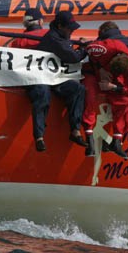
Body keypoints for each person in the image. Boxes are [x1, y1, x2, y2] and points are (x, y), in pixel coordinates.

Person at [27, 11, 88, 152]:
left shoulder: (61, 36)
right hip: (41, 78)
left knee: (78, 89)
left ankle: (75, 130)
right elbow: (73, 57)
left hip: (56, 78)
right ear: (60, 26)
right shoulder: (54, 39)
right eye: (70, 28)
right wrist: (84, 48)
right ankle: (39, 136)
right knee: (42, 94)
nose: (72, 31)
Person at [82, 21, 128, 158]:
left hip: (113, 79)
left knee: (125, 102)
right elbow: (89, 48)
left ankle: (117, 140)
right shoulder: (106, 47)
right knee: (90, 96)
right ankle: (89, 136)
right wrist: (101, 69)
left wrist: (114, 87)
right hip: (94, 72)